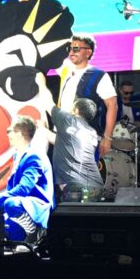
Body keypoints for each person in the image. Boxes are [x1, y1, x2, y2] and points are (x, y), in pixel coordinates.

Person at [36, 73, 101, 201]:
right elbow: (62, 142)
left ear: (76, 111)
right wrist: (43, 130)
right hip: (95, 187)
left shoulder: (69, 120)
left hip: (76, 188)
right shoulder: (92, 133)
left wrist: (41, 82)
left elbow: (47, 102)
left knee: (72, 214)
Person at [0, 116, 55, 241]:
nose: (8, 134)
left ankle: (34, 232)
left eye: (10, 131)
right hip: (23, 205)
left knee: (11, 204)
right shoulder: (17, 155)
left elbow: (24, 188)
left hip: (35, 207)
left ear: (19, 134)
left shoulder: (34, 156)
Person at [57, 33, 118, 158]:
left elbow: (112, 105)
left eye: (76, 49)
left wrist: (107, 137)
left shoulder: (99, 75)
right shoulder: (65, 70)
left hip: (85, 138)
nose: (71, 52)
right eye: (70, 48)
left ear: (88, 52)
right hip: (62, 136)